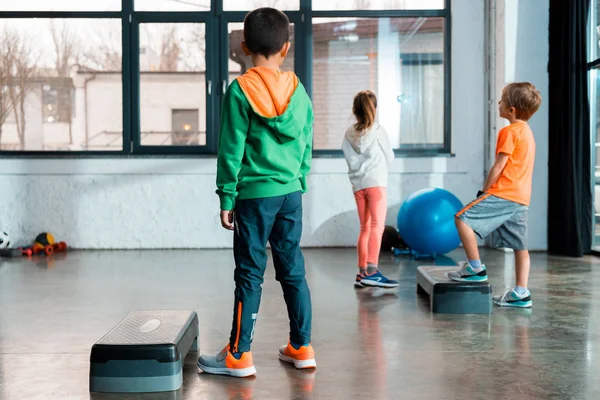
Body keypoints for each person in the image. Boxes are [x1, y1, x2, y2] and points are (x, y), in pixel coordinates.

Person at [197, 7, 316, 377]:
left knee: (250, 273)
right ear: (286, 48)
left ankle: (239, 354)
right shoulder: (298, 91)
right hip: (290, 194)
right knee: (292, 270)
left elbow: (231, 149)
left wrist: (226, 197)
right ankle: (301, 346)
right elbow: (306, 143)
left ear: (245, 46)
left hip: (253, 197)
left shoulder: (240, 90)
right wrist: (299, 180)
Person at [448, 82, 542, 308]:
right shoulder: (528, 132)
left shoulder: (508, 131)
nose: (498, 103)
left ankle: (475, 268)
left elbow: (499, 166)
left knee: (461, 218)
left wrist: (485, 191)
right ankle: (521, 293)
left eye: (501, 100)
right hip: (521, 198)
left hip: (504, 193)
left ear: (512, 110)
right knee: (521, 247)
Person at [342, 90, 398, 289]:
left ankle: (362, 273)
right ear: (374, 108)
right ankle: (373, 272)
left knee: (365, 228)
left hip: (358, 186)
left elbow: (349, 159)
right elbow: (389, 157)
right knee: (377, 227)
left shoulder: (349, 133)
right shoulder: (377, 130)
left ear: (355, 111)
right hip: (376, 183)